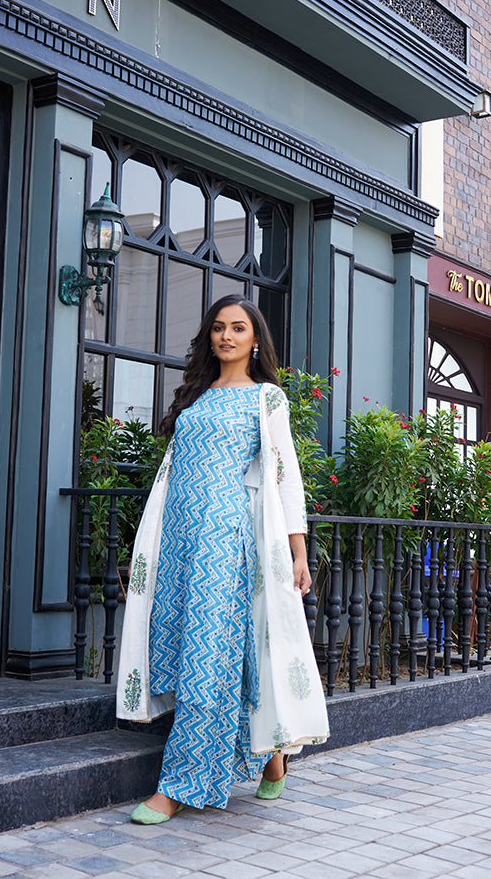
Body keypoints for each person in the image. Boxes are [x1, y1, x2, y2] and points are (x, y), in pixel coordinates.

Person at [116, 294, 329, 824]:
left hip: (226, 542)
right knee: (218, 653)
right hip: (180, 540)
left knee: (207, 661)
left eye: (238, 328)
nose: (226, 336)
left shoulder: (267, 400)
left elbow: (286, 480)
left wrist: (300, 555)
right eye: (218, 328)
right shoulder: (195, 396)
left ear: (255, 339)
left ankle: (178, 785)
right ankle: (273, 755)